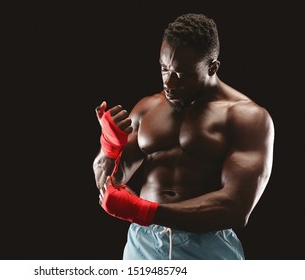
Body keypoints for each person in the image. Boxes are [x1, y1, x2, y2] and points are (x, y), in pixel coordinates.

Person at [92, 13, 274, 260]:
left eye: (182, 74)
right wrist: (109, 146)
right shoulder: (147, 108)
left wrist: (144, 211)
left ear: (212, 67)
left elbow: (236, 207)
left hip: (207, 248)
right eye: (164, 69)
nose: (169, 82)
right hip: (143, 245)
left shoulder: (246, 117)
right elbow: (109, 180)